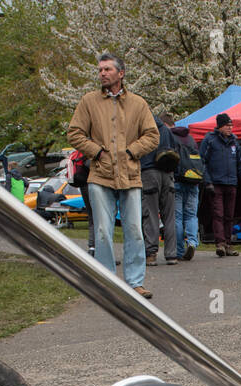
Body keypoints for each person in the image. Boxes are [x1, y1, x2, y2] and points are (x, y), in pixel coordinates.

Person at [66, 52, 158, 298]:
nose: (102, 73)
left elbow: (152, 135)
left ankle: (135, 282)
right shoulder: (89, 102)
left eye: (107, 69)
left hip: (130, 175)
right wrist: (96, 152)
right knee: (104, 231)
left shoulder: (138, 104)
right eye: (100, 70)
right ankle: (108, 283)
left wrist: (131, 151)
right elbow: (74, 133)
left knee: (134, 230)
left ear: (121, 73)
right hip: (100, 175)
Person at [199, 113, 241, 257]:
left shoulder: (234, 141)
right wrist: (207, 181)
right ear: (220, 126)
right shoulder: (210, 140)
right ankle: (220, 243)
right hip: (215, 183)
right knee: (218, 214)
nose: (230, 128)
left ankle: (228, 243)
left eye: (231, 125)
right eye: (227, 125)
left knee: (229, 215)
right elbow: (202, 162)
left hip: (231, 183)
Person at [140, 113, 179, 267]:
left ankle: (151, 254)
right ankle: (171, 254)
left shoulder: (143, 130)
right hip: (168, 175)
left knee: (150, 214)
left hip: (149, 173)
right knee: (169, 216)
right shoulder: (166, 130)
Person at [169, 121, 204, 260]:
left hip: (177, 181)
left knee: (177, 217)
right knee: (191, 215)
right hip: (194, 181)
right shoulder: (190, 138)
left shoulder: (171, 138)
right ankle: (192, 242)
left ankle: (179, 250)